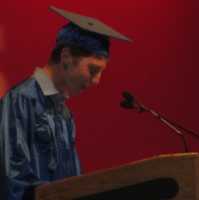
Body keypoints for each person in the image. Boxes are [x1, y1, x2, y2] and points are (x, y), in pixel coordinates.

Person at [0, 6, 131, 200]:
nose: (97, 81)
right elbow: (13, 180)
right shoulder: (20, 100)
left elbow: (74, 184)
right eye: (93, 70)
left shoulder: (64, 114)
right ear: (66, 57)